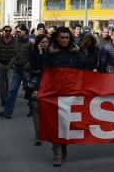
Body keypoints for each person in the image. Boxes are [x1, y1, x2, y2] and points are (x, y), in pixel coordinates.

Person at [32, 26, 81, 167]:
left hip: (70, 94)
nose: (65, 40)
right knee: (54, 124)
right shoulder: (50, 54)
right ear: (57, 39)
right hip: (53, 94)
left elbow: (81, 74)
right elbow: (42, 72)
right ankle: (57, 153)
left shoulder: (75, 53)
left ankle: (63, 143)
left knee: (66, 123)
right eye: (62, 38)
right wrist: (37, 89)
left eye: (67, 38)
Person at [0, 24, 33, 119]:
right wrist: (12, 63)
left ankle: (32, 110)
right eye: (16, 31)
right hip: (16, 69)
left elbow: (33, 56)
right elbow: (15, 54)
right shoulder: (17, 41)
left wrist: (27, 65)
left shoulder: (30, 43)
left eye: (19, 31)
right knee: (12, 90)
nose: (17, 33)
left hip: (25, 69)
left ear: (25, 31)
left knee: (30, 89)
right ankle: (7, 111)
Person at [28, 34, 50, 146]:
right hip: (35, 82)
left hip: (48, 83)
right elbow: (36, 66)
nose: (45, 44)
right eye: (42, 42)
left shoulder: (52, 53)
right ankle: (38, 133)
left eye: (46, 42)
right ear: (38, 43)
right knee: (36, 107)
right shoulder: (34, 53)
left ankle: (46, 130)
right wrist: (41, 54)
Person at [0, 25, 16, 107]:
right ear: (3, 31)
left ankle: (9, 100)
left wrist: (13, 63)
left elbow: (15, 53)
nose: (7, 32)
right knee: (2, 84)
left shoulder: (14, 40)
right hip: (1, 65)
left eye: (9, 31)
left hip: (10, 65)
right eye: (6, 31)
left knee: (10, 84)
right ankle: (3, 100)